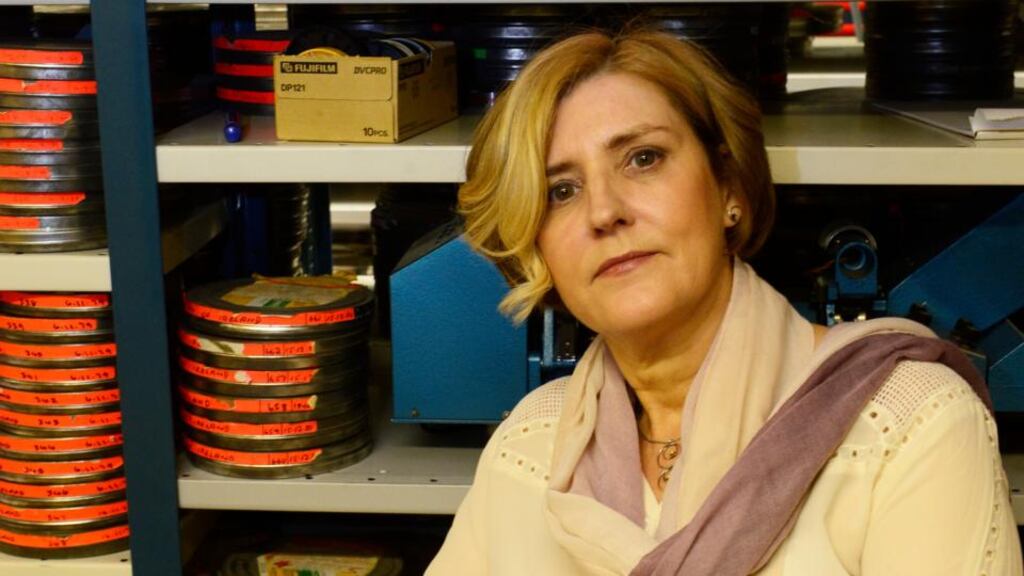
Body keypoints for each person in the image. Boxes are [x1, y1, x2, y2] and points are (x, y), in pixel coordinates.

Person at [426, 29, 1022, 575]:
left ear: (728, 187)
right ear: (537, 248)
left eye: (643, 158)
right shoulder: (531, 443)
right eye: (561, 190)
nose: (604, 211)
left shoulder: (909, 425)